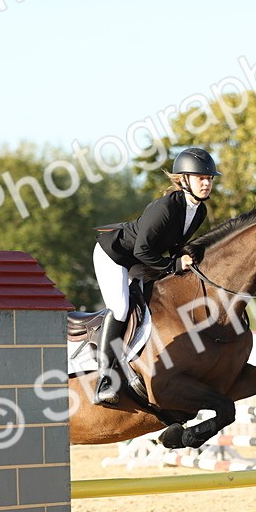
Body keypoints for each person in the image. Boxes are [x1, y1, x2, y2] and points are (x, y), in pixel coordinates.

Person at [90, 147, 220, 405]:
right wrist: (174, 265)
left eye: (209, 179)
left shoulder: (199, 211)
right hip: (114, 255)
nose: (206, 183)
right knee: (120, 308)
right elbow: (142, 249)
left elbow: (174, 247)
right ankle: (104, 380)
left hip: (140, 261)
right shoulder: (165, 207)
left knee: (152, 303)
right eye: (200, 178)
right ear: (184, 179)